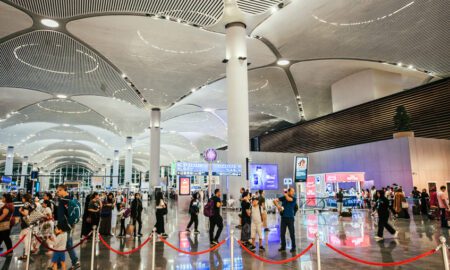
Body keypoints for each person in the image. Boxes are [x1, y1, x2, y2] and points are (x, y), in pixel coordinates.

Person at [56, 185, 80, 270]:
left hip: (64, 226)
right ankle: (58, 262)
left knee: (66, 244)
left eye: (58, 191)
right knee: (63, 243)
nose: (57, 192)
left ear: (63, 190)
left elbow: (61, 215)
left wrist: (59, 227)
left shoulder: (63, 201)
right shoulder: (71, 199)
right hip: (70, 225)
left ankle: (75, 261)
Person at [274, 187, 298, 252]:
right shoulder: (284, 197)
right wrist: (278, 206)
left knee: (292, 233)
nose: (293, 192)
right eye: (292, 191)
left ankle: (293, 247)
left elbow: (289, 199)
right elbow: (275, 200)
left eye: (294, 191)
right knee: (282, 233)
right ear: (289, 191)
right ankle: (283, 246)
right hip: (284, 218)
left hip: (290, 218)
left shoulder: (294, 198)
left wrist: (286, 194)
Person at [18, 193, 34, 261]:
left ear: (25, 198)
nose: (22, 199)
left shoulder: (26, 204)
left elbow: (26, 213)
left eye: (22, 198)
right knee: (25, 239)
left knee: (22, 238)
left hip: (26, 223)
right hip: (30, 222)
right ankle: (30, 249)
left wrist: (20, 211)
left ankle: (28, 252)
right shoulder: (32, 203)